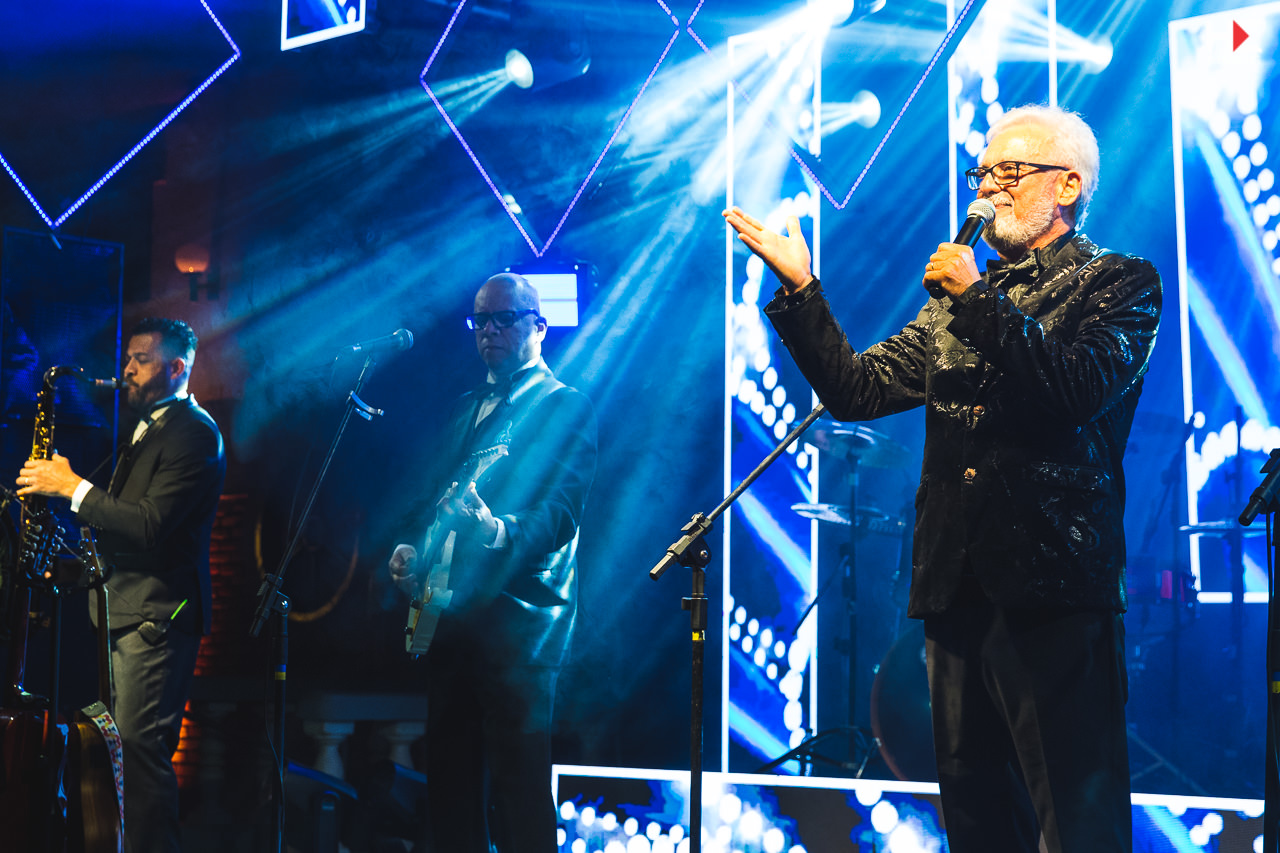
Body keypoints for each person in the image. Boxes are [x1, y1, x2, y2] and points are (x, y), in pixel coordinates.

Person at [724, 105, 1161, 853]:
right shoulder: (958, 303)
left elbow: (1078, 387)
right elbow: (857, 390)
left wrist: (976, 298)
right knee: (976, 812)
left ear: (1067, 185)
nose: (986, 189)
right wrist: (801, 291)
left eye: (1008, 172)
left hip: (1053, 586)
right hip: (954, 586)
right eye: (981, 173)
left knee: (1074, 817)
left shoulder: (1117, 282)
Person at [388, 273, 597, 853]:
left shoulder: (563, 405)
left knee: (520, 792)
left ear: (540, 326)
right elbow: (429, 496)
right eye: (481, 320)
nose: (490, 330)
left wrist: (496, 530)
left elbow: (561, 513)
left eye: (505, 318)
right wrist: (409, 547)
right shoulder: (464, 407)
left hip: (520, 627)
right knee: (451, 791)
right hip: (451, 617)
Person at [18, 317, 226, 853]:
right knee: (120, 758)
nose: (126, 369)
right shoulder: (151, 426)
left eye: (141, 360)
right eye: (127, 358)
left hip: (156, 619)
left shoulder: (195, 433)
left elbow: (150, 525)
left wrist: (71, 487)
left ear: (176, 368)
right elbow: (122, 529)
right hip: (127, 612)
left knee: (138, 755)